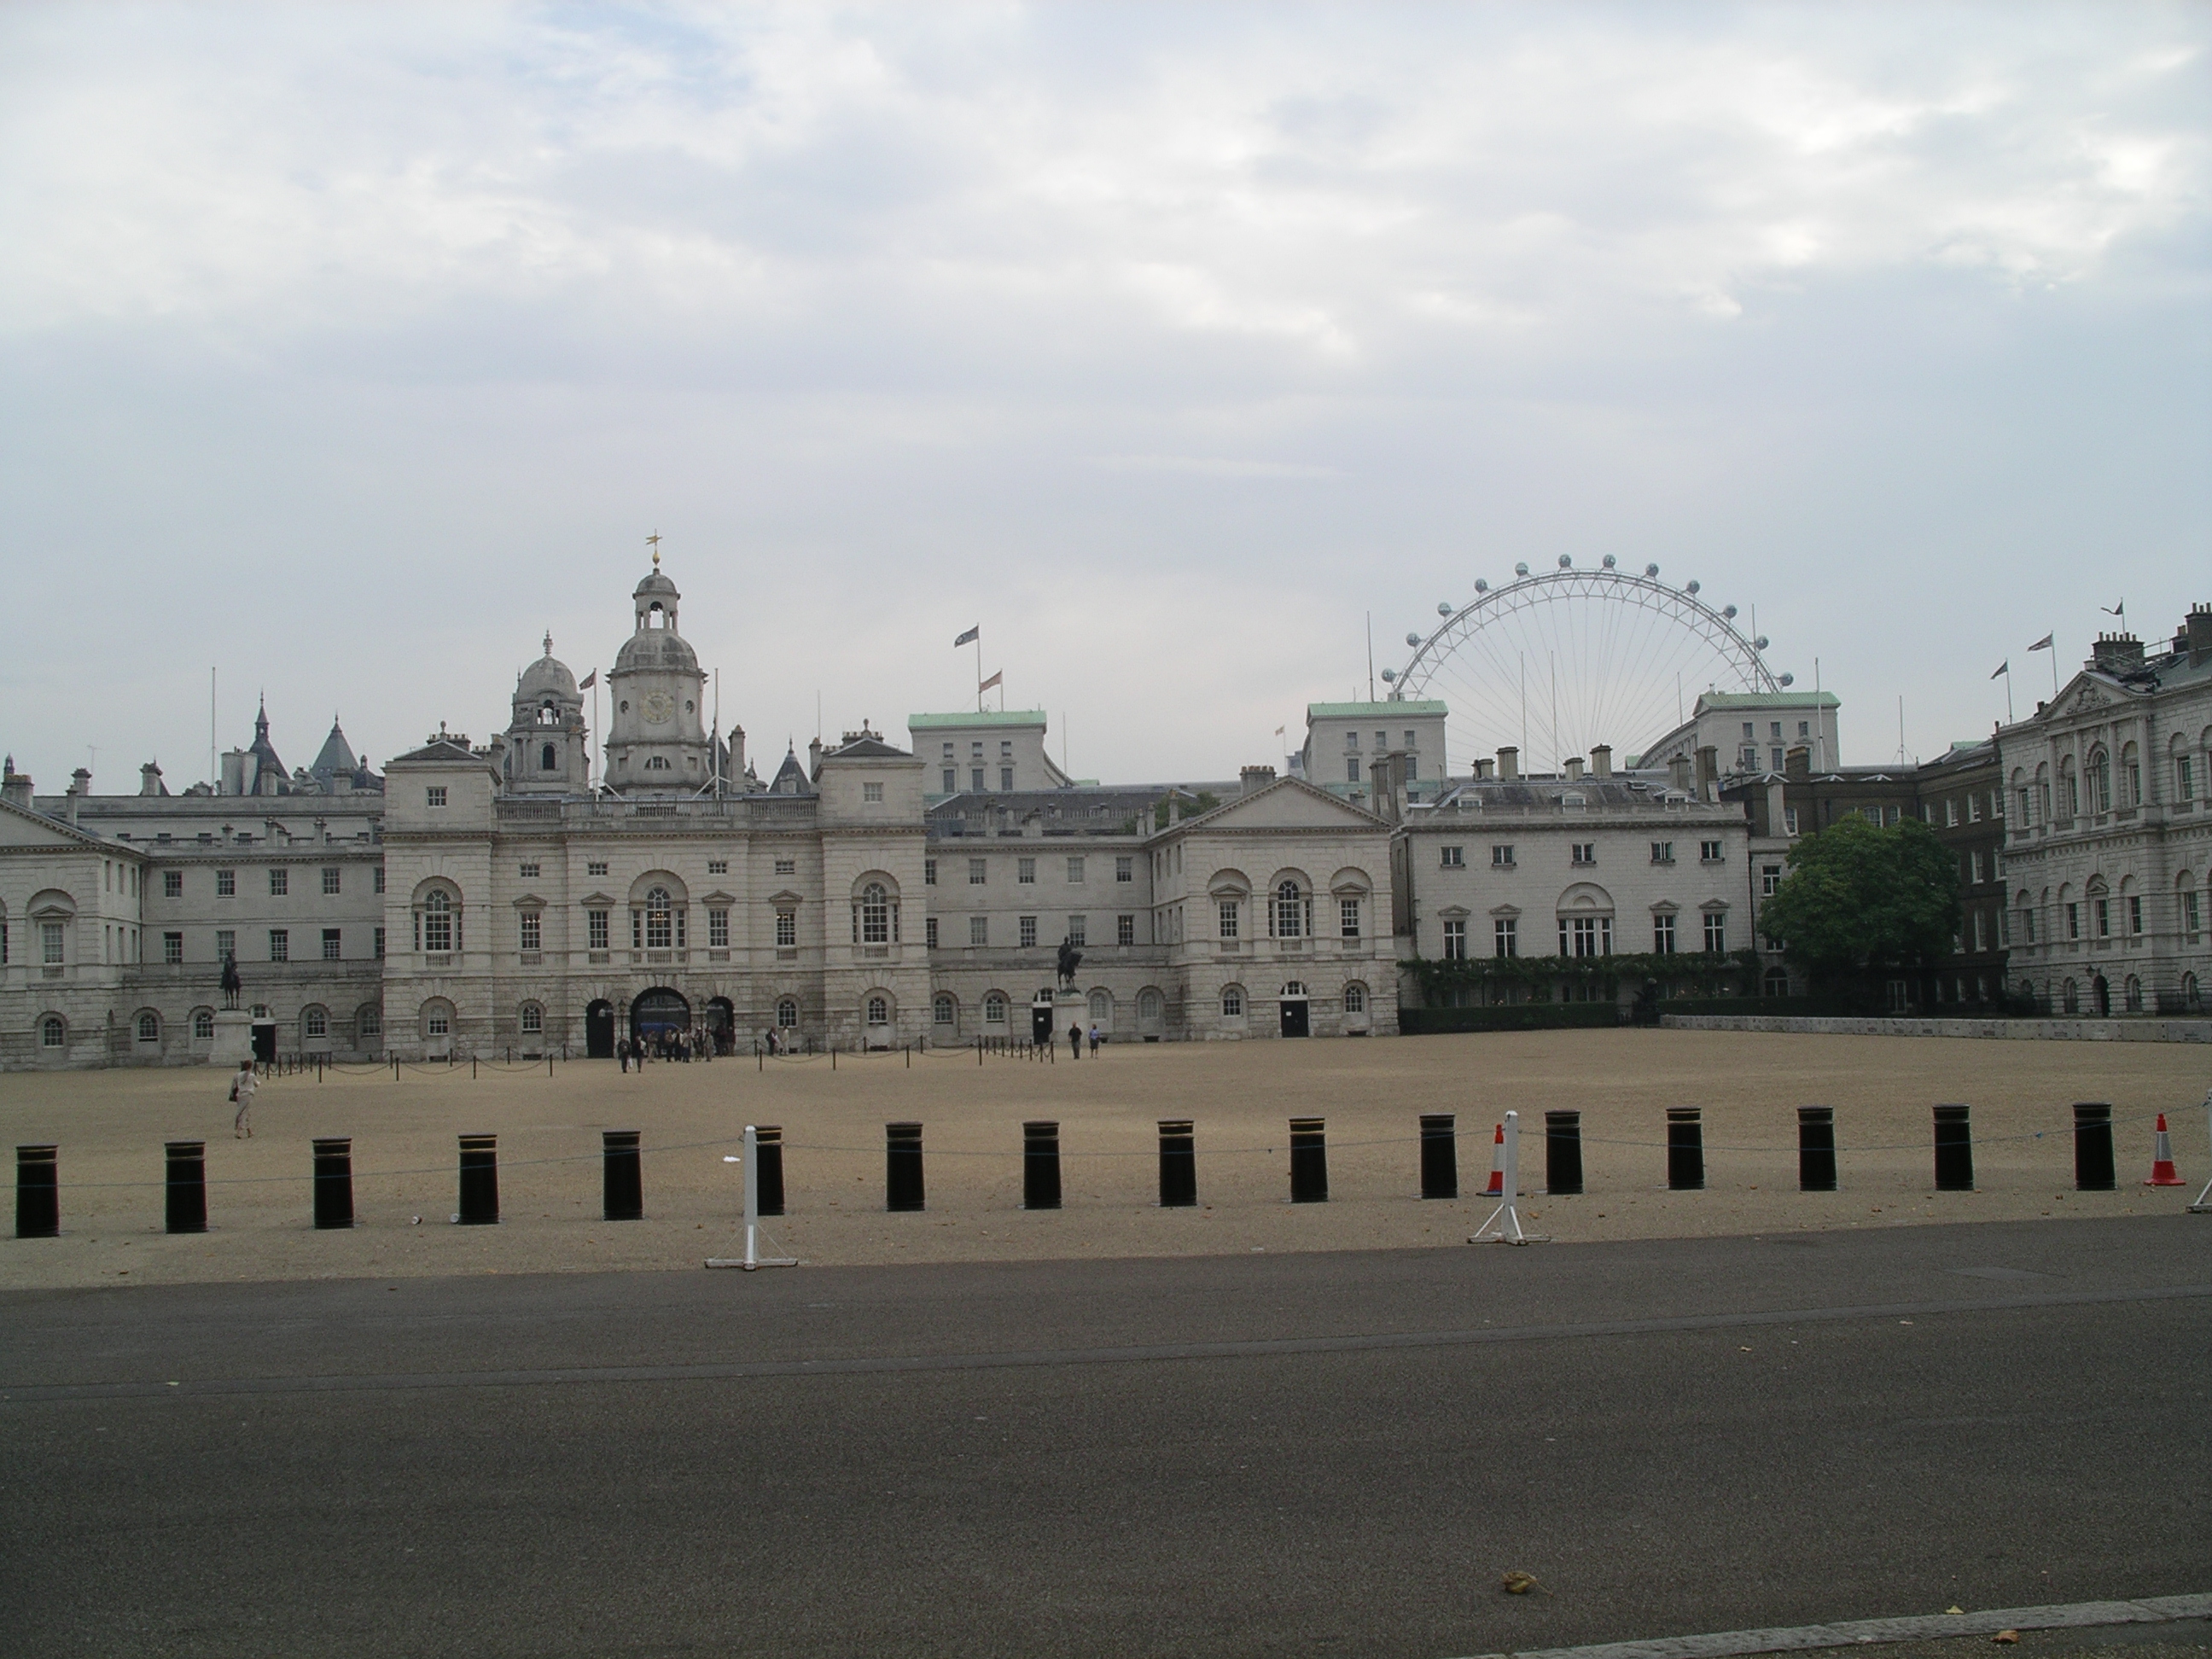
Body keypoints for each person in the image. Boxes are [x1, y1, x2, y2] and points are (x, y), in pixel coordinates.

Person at [229, 1057, 258, 1138]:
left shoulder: (237, 1075)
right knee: (243, 1113)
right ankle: (239, 1131)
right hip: (248, 1095)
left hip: (240, 1095)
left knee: (244, 1112)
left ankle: (249, 1131)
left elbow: (234, 1086)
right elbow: (256, 1084)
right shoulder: (251, 1076)